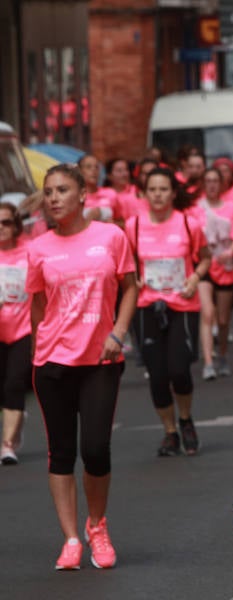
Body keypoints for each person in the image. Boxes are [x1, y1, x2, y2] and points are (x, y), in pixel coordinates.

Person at [28, 164, 138, 570]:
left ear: (82, 196)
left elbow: (130, 288)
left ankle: (97, 526)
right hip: (52, 362)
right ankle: (72, 538)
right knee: (60, 453)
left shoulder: (111, 237)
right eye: (48, 192)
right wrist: (44, 345)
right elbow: (39, 305)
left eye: (61, 190)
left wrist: (119, 331)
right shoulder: (39, 247)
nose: (53, 198)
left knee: (94, 448)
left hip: (101, 359)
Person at [126, 167, 211, 455]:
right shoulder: (133, 225)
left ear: (173, 193)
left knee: (179, 369)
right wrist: (133, 280)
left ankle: (185, 419)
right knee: (157, 374)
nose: (158, 195)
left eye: (163, 189)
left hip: (182, 304)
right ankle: (170, 432)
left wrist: (195, 278)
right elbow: (127, 266)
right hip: (147, 305)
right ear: (144, 193)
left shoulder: (188, 223)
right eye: (153, 190)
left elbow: (205, 259)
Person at [192, 168, 233, 380]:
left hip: (225, 267)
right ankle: (209, 363)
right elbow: (192, 234)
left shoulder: (231, 207)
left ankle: (221, 354)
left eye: (215, 181)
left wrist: (231, 251)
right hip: (203, 265)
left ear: (221, 184)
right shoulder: (196, 209)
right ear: (203, 184)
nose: (212, 185)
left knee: (222, 320)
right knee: (207, 313)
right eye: (208, 181)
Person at [0, 202, 31, 465]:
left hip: (24, 329)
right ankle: (15, 421)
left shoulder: (29, 251)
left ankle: (7, 444)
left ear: (16, 225)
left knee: (14, 384)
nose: (1, 227)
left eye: (6, 222)